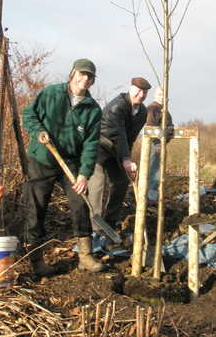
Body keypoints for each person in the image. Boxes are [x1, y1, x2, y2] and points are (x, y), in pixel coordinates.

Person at [23, 58, 103, 276]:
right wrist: (38, 131)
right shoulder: (51, 94)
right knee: (36, 207)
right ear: (72, 73)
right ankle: (36, 259)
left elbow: (90, 145)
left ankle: (85, 256)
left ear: (92, 81)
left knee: (80, 204)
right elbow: (29, 115)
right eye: (82, 74)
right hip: (42, 158)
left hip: (70, 162)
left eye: (89, 76)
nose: (84, 79)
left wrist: (84, 174)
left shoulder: (93, 110)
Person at [87, 77, 151, 230]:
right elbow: (118, 134)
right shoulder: (117, 106)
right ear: (131, 89)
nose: (141, 95)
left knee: (121, 182)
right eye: (138, 90)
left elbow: (130, 138)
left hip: (116, 150)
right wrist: (126, 159)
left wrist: (127, 159)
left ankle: (109, 224)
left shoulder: (142, 112)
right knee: (97, 186)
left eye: (144, 92)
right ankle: (94, 230)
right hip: (99, 148)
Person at [146, 86, 174, 203]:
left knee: (159, 170)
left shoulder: (164, 110)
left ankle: (156, 196)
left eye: (164, 95)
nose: (162, 97)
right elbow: (151, 127)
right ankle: (151, 198)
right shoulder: (153, 109)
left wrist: (169, 136)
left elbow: (170, 127)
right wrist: (157, 143)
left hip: (162, 144)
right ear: (154, 95)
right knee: (154, 171)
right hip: (155, 145)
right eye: (159, 94)